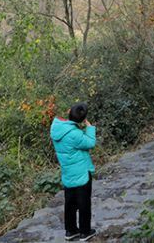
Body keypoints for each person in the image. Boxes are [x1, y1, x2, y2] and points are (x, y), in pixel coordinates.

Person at [50, 102, 98, 240]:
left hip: (68, 173)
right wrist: (89, 128)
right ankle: (85, 232)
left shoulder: (56, 128)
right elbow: (90, 143)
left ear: (69, 111)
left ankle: (70, 231)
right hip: (81, 173)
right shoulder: (75, 134)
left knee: (70, 203)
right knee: (84, 203)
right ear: (83, 119)